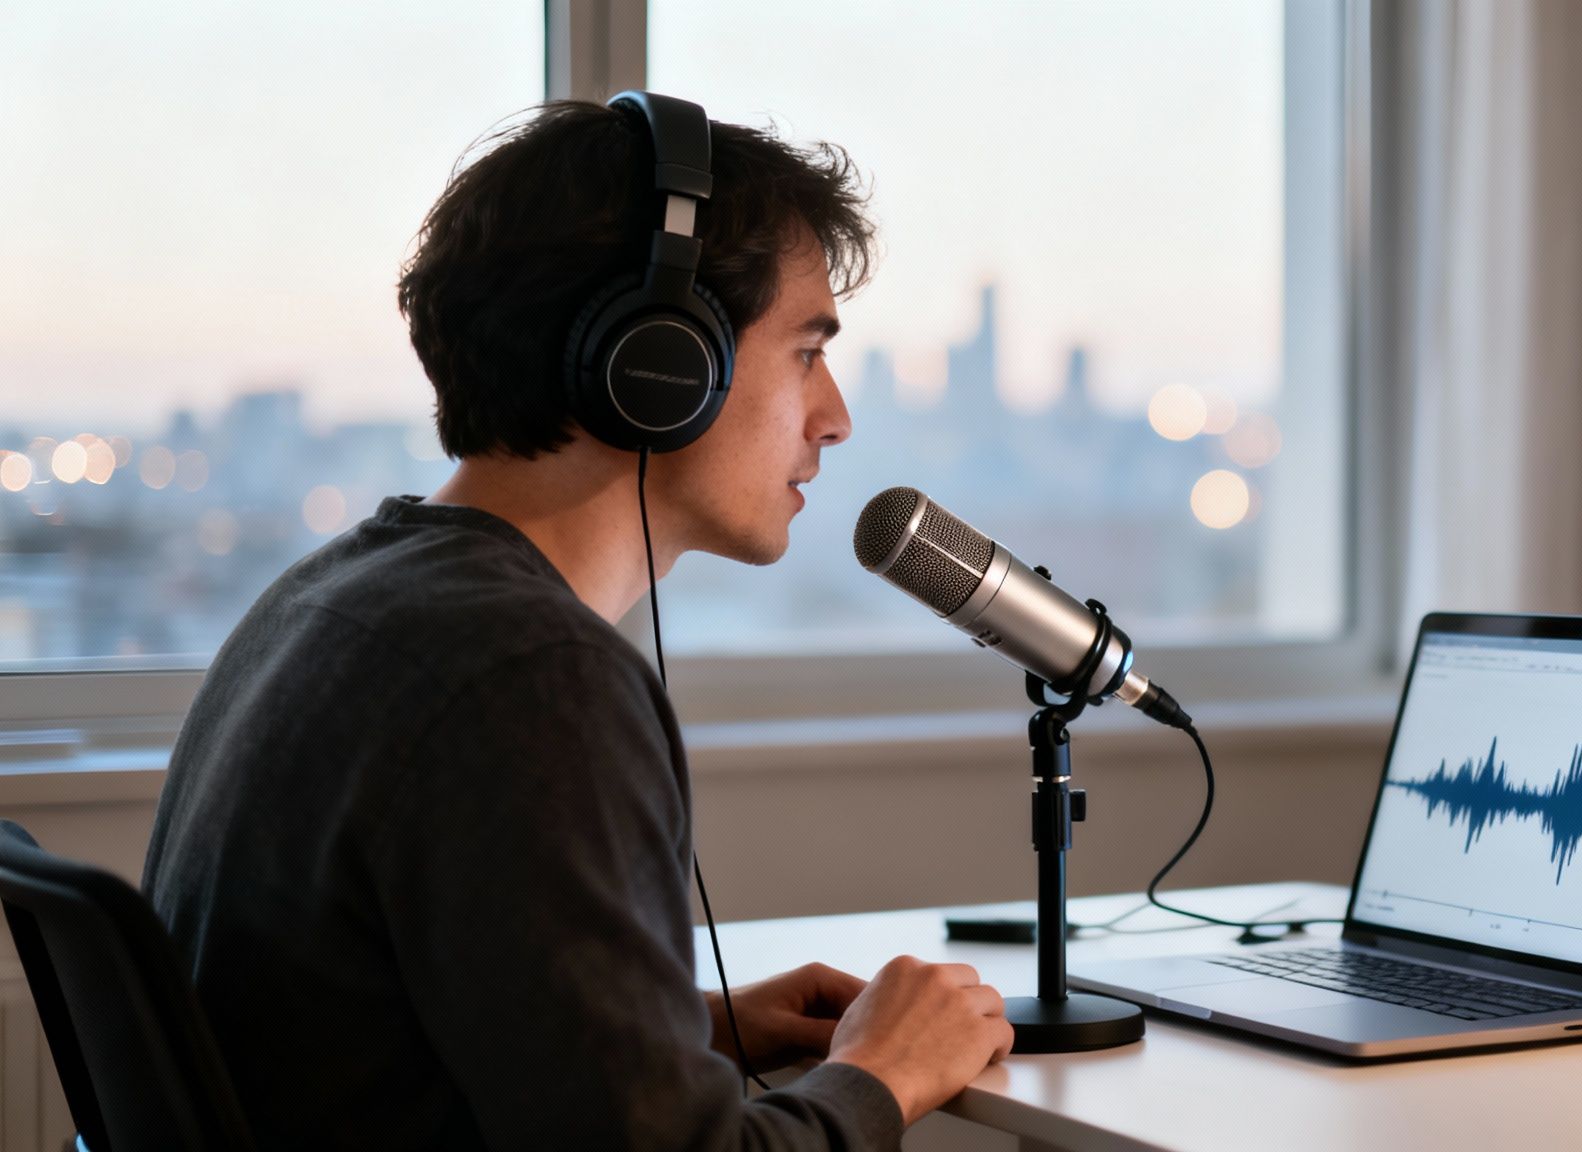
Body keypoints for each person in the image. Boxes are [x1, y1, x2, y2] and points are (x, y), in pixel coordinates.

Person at [141, 94, 1012, 1151]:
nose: (833, 417)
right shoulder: (527, 676)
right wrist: (884, 1073)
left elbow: (352, 1030)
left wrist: (691, 1027)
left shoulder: (329, 600)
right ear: (660, 366)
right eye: (803, 351)